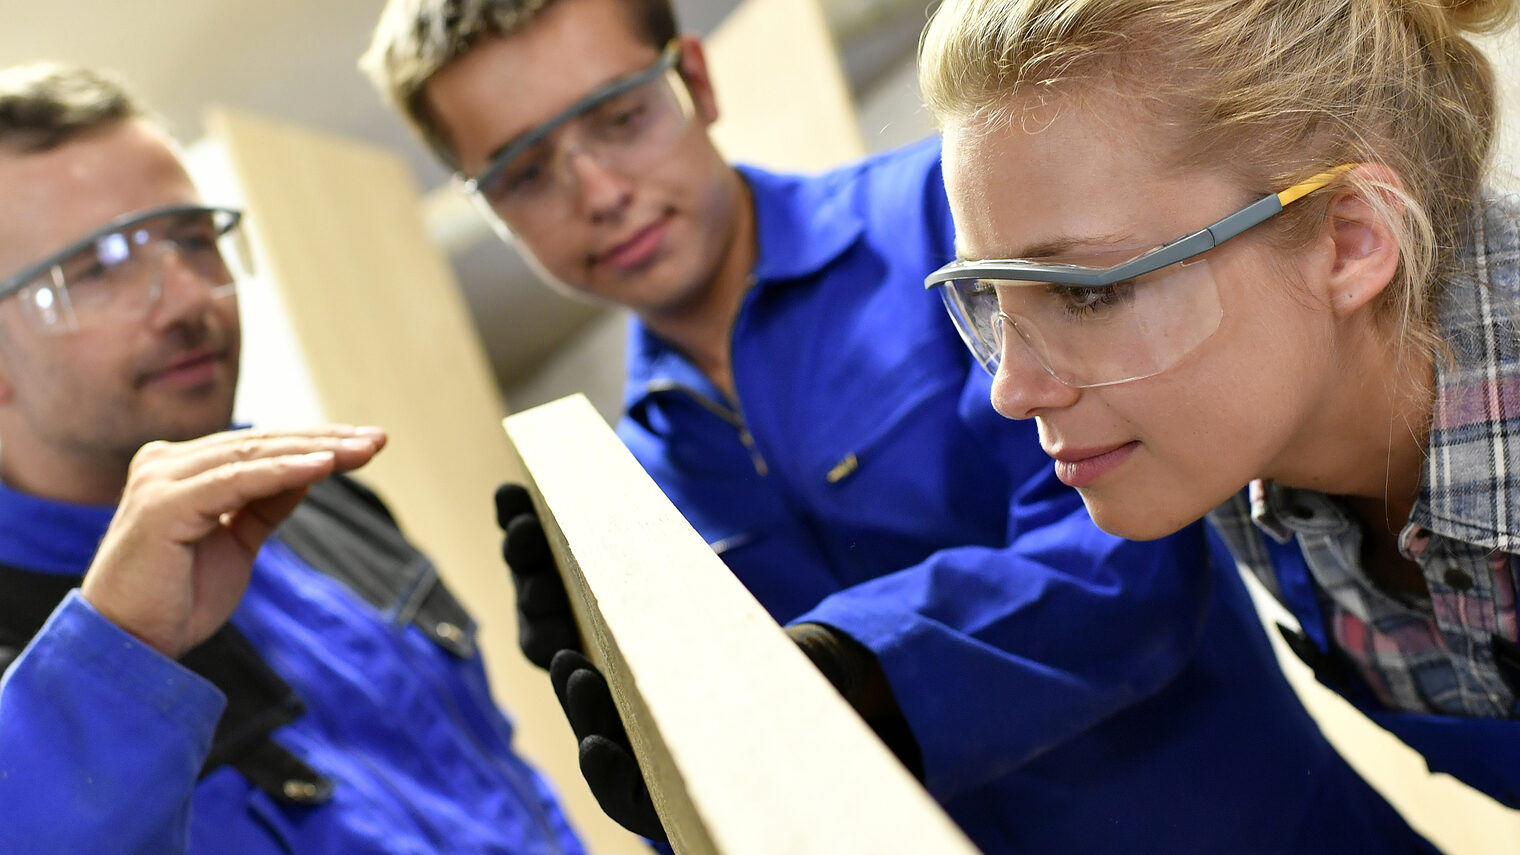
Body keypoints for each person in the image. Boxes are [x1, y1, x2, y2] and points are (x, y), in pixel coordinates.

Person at [362, 1, 1434, 851]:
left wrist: (848, 673)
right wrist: (661, 745)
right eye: (524, 173)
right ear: (491, 210)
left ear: (692, 79)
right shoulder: (628, 494)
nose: (596, 190)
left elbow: (1129, 569)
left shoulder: (960, 226)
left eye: (619, 116)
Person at [918, 0, 1520, 812]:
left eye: (1092, 294)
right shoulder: (1236, 456)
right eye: (990, 296)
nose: (1012, 390)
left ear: (1351, 239)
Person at [0, 64, 586, 855]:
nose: (187, 299)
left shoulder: (320, 500)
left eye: (191, 238)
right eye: (99, 267)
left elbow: (498, 789)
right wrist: (114, 655)